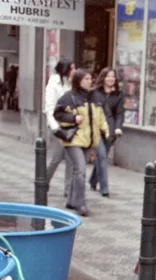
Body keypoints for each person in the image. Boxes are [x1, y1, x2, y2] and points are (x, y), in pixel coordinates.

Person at [53, 69, 109, 217]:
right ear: (78, 81)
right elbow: (57, 113)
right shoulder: (69, 97)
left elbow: (101, 116)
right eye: (86, 79)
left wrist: (106, 131)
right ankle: (80, 203)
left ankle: (72, 200)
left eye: (90, 79)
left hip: (89, 139)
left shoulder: (95, 97)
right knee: (80, 170)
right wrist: (73, 118)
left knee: (78, 170)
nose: (89, 81)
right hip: (74, 139)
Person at [90, 67, 124, 197]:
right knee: (103, 157)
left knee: (101, 157)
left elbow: (120, 113)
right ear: (103, 78)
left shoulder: (118, 94)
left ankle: (93, 181)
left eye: (113, 76)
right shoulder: (95, 93)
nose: (111, 79)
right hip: (97, 130)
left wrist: (118, 127)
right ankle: (104, 188)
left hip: (110, 131)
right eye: (108, 76)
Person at [45, 59, 75, 197]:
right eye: (72, 68)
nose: (75, 71)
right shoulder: (53, 86)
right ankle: (44, 181)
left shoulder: (72, 84)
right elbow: (50, 109)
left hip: (71, 125)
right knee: (56, 158)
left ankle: (68, 189)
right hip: (57, 127)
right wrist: (56, 129)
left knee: (70, 159)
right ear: (65, 70)